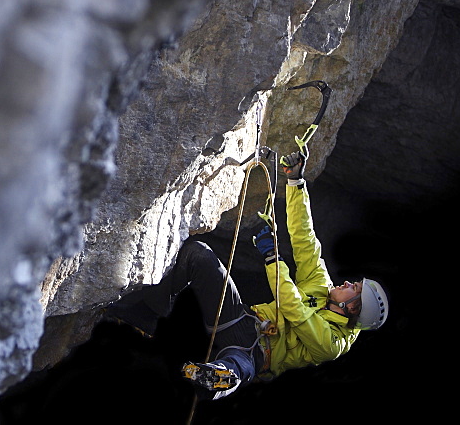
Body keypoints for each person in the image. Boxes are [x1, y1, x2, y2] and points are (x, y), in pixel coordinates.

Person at [105, 150, 388, 399]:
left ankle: (216, 379)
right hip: (242, 320)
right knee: (198, 254)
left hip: (259, 352)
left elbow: (294, 311)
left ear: (351, 308)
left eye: (355, 288)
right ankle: (144, 314)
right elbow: (305, 240)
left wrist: (272, 258)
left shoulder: (332, 344)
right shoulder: (321, 286)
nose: (348, 282)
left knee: (239, 366)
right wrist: (295, 183)